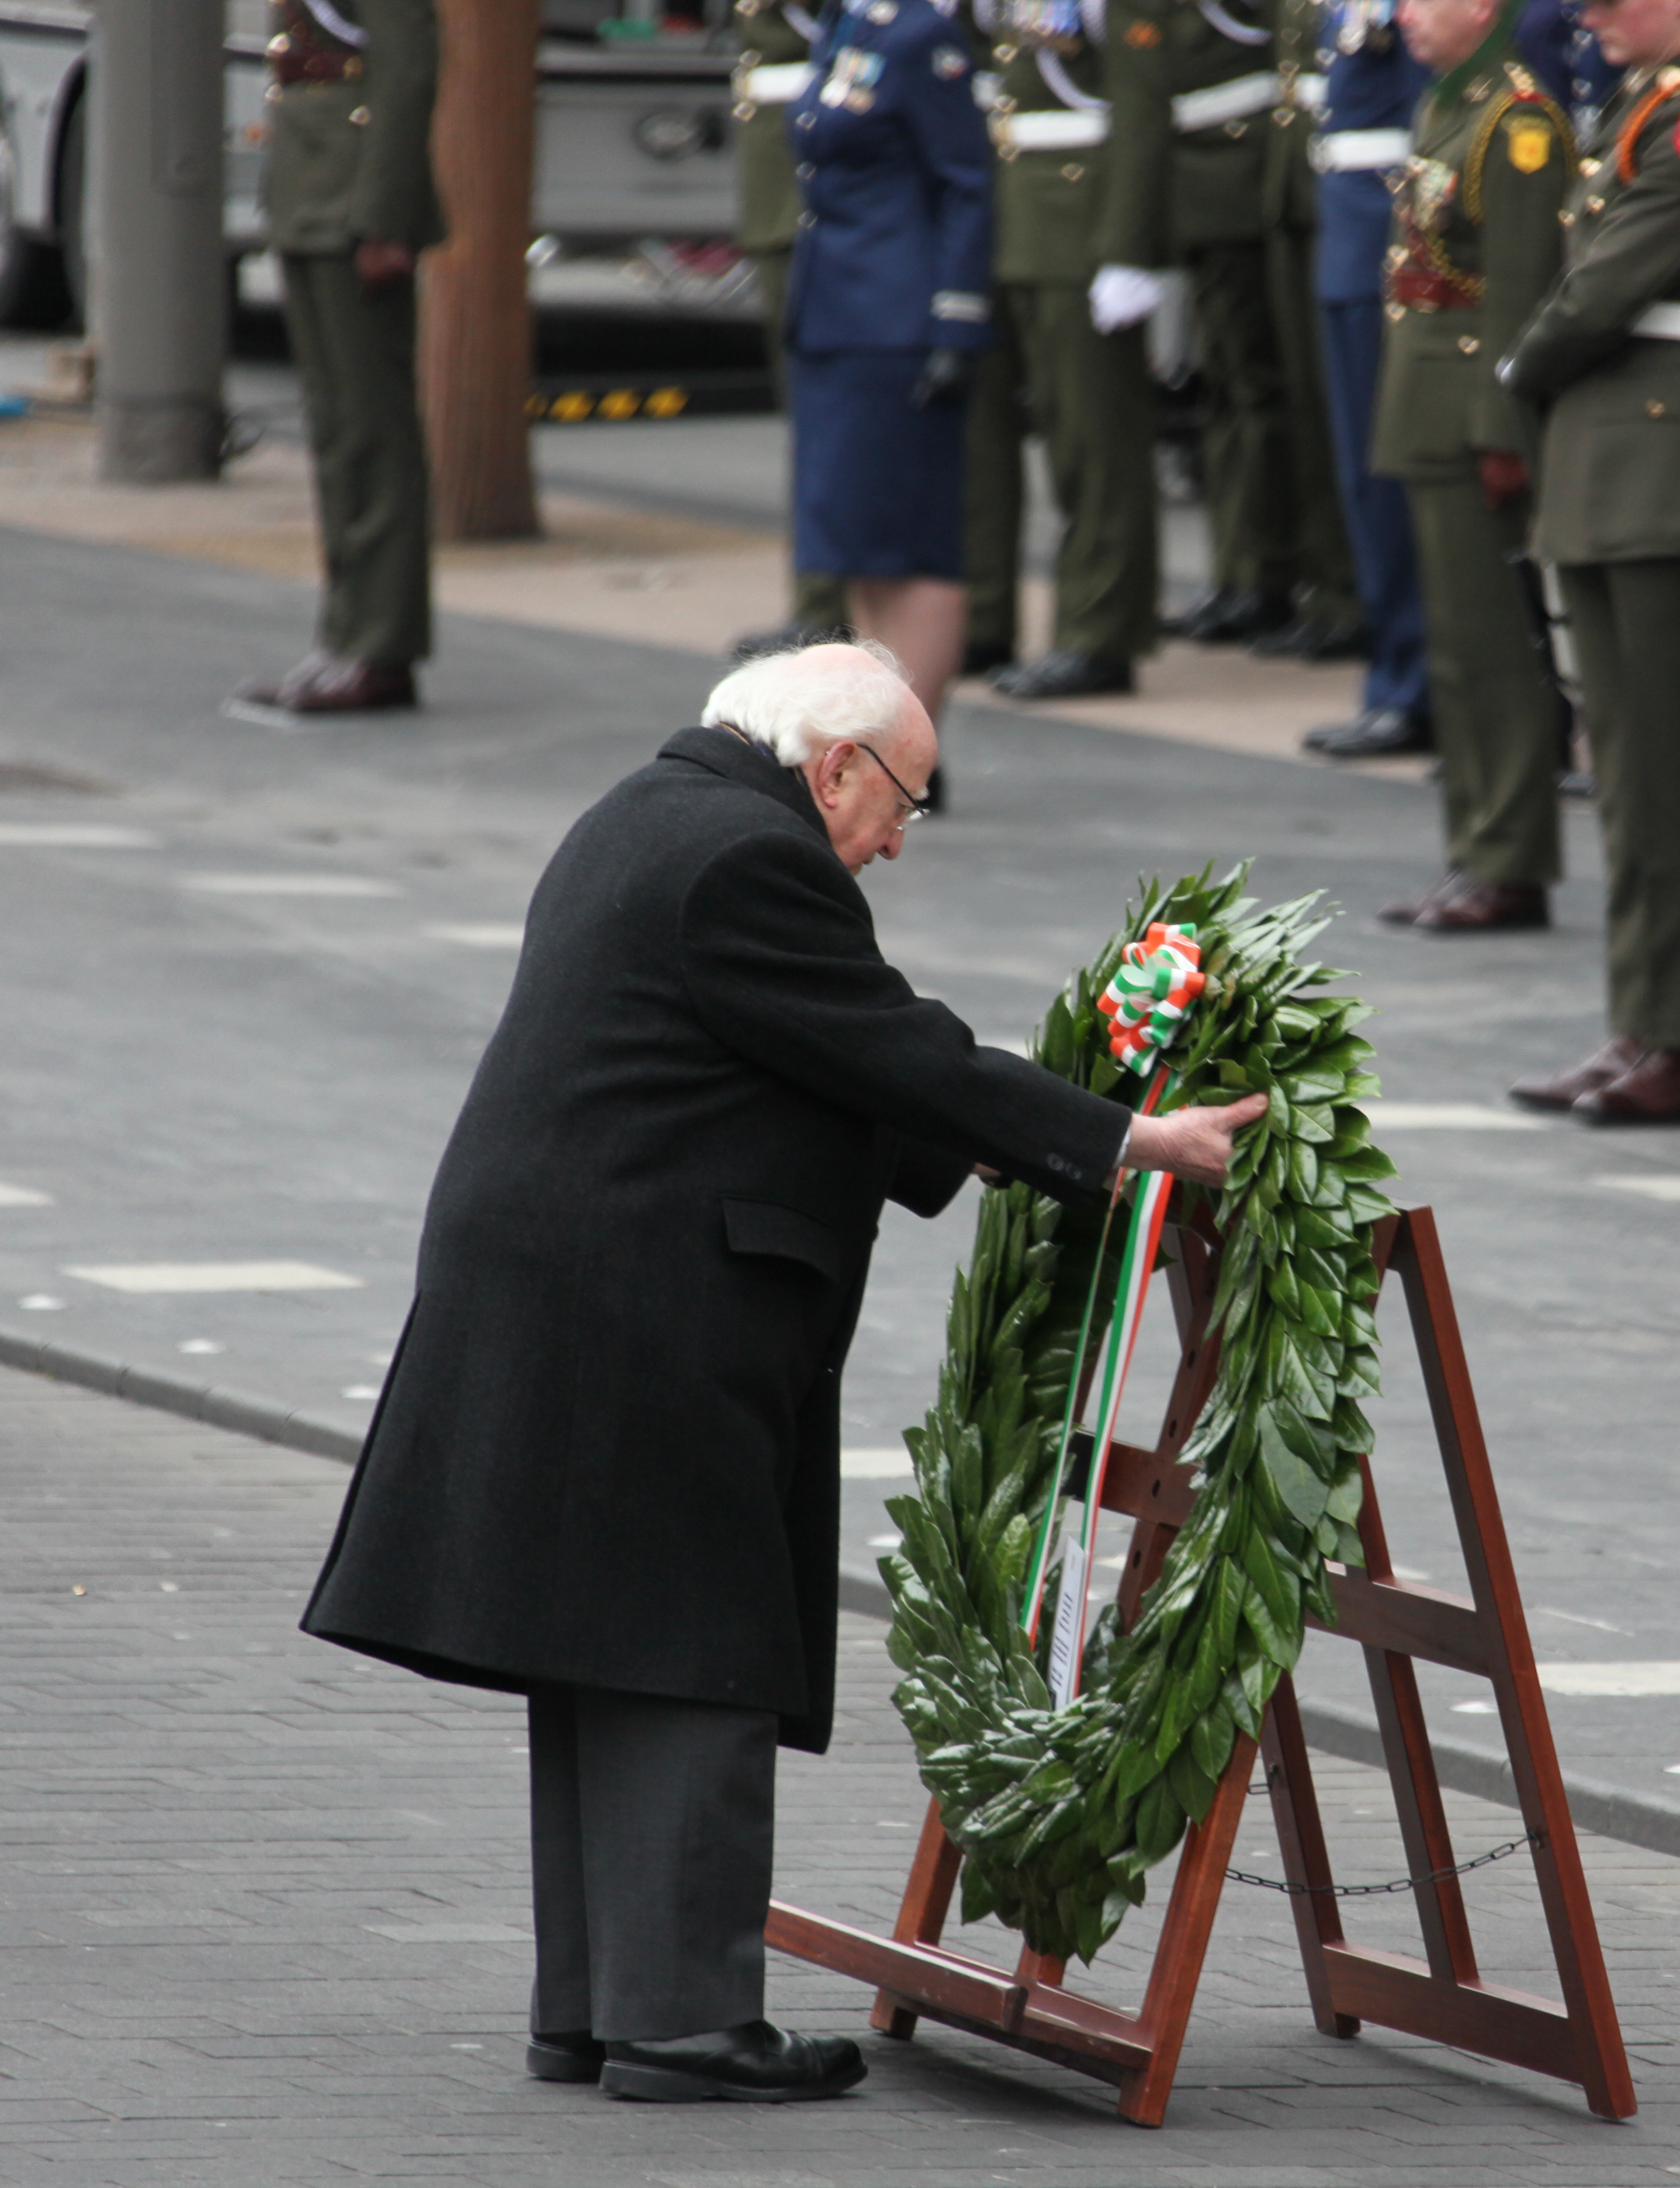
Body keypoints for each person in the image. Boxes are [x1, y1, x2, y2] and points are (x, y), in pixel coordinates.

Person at [302, 642, 1269, 2100]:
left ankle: (598, 2006)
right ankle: (684, 2019)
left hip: (577, 1272)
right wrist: (1135, 1142)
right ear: (836, 766)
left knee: (600, 1644)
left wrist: (1017, 1128)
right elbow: (888, 1048)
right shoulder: (753, 859)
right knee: (691, 1633)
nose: (896, 841)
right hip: (640, 1290)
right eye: (905, 804)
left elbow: (835, 1060)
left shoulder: (657, 812)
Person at [1499, 0, 1680, 1126]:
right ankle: (1642, 1023)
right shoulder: (1645, 106)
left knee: (1670, 771)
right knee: (1626, 770)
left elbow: (1611, 283)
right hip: (1617, 461)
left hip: (1670, 466)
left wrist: (1524, 360)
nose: (1590, 14)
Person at [1371, 0, 1575, 925]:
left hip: (1472, 411)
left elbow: (1523, 292)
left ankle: (1511, 857)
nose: (1405, 15)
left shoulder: (1516, 121)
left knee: (1496, 650)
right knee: (1457, 647)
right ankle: (1475, 848)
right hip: (1427, 401)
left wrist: (1505, 430)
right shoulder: (1448, 102)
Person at [1107, 0, 1363, 650]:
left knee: (1276, 391)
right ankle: (1250, 570)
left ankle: (1302, 578)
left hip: (1248, 171)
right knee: (1232, 390)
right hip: (1224, 176)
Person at [785, 0, 995, 730]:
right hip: (837, 311)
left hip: (896, 319)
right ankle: (882, 737)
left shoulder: (922, 36)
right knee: (861, 544)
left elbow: (965, 182)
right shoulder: (853, 25)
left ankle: (909, 747)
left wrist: (957, 321)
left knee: (911, 545)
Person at [235, 0, 443, 721]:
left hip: (353, 199)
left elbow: (408, 64)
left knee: (371, 433)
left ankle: (381, 646)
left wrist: (383, 218)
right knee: (335, 434)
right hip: (312, 185)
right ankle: (346, 635)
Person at [968, 0, 1170, 701]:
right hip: (1012, 224)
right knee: (983, 437)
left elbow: (1143, 108)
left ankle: (1099, 634)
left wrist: (1126, 251)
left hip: (1079, 234)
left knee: (1094, 445)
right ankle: (982, 615)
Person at [1296, 0, 1446, 759]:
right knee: (1367, 481)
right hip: (1349, 233)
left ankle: (1418, 681)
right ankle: (1396, 671)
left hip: (1388, 235)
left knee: (1395, 482)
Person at [729, 0, 855, 660]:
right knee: (813, 414)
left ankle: (829, 607)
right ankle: (820, 604)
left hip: (815, 180)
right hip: (783, 178)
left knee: (831, 413)